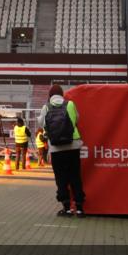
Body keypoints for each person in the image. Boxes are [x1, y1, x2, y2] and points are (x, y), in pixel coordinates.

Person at [38, 84, 84, 217]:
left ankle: (67, 208)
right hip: (73, 144)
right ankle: (80, 208)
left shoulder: (46, 107)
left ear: (50, 95)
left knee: (61, 178)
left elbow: (42, 124)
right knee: (75, 176)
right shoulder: (70, 104)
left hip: (56, 147)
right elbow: (77, 119)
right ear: (62, 94)